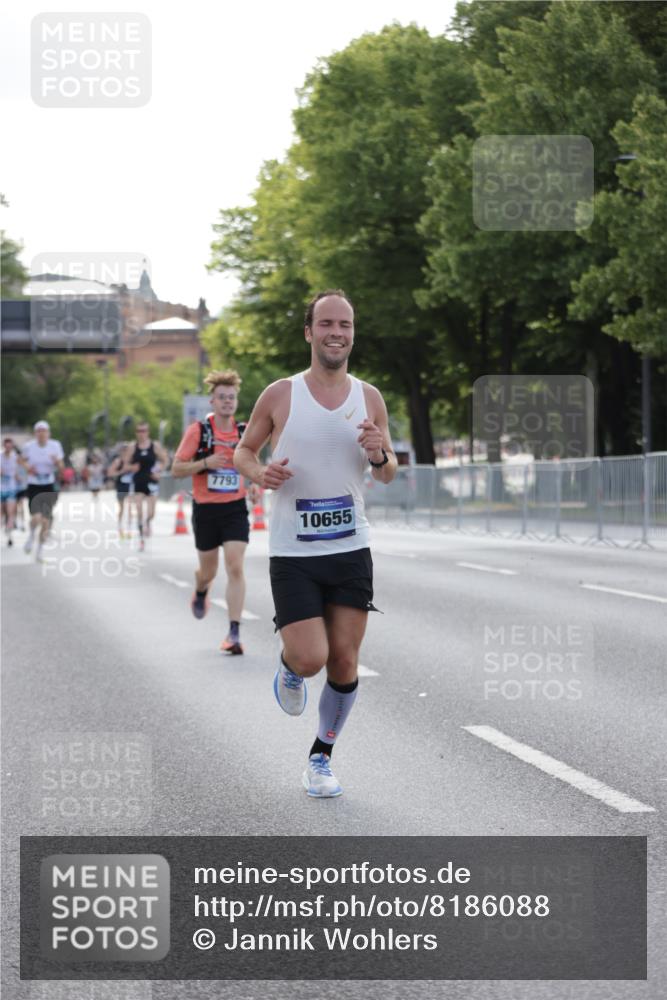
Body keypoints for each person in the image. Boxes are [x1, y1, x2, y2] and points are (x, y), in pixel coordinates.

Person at [234, 289, 397, 797]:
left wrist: (378, 454)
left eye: (345, 325)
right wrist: (260, 472)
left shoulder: (369, 397)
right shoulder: (281, 394)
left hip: (350, 547)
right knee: (310, 660)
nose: (336, 333)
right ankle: (288, 665)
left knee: (344, 661)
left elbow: (388, 472)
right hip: (294, 551)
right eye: (326, 323)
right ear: (309, 332)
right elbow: (243, 451)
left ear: (352, 334)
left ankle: (321, 759)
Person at [172, 369, 255, 655]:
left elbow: (253, 463)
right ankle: (201, 589)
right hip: (205, 509)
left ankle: (234, 632)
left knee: (235, 566)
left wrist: (255, 482)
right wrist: (205, 463)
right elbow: (176, 468)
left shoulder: (244, 432)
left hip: (235, 508)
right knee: (209, 571)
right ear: (212, 401)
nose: (227, 402)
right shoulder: (199, 431)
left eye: (231, 398)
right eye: (222, 398)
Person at [21, 420, 65, 561]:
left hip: (48, 484)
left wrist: (56, 462)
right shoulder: (29, 446)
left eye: (44, 431)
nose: (41, 434)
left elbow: (62, 467)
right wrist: (27, 467)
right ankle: (31, 535)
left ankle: (40, 550)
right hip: (34, 484)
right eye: (39, 431)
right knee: (36, 517)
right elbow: (21, 460)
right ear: (35, 433)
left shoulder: (55, 445)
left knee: (45, 521)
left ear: (48, 433)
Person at [129, 422, 169, 551]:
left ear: (148, 432)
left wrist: (158, 471)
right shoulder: (132, 447)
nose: (142, 433)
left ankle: (147, 522)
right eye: (139, 430)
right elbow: (124, 464)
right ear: (136, 432)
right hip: (138, 481)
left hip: (152, 481)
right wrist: (131, 467)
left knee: (151, 513)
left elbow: (165, 460)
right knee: (139, 511)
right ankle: (141, 539)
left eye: (144, 430)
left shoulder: (155, 446)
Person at [107, 444, 136, 538]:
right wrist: (121, 472)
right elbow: (110, 473)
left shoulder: (133, 461)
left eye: (127, 450)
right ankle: (120, 527)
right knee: (121, 508)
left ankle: (129, 529)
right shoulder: (118, 461)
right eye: (123, 450)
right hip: (121, 486)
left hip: (131, 486)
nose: (125, 452)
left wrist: (132, 468)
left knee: (130, 508)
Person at [1, 437, 19, 546]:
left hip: (11, 488)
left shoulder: (15, 457)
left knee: (10, 511)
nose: (8, 448)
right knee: (1, 513)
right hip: (1, 488)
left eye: (10, 446)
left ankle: (10, 533)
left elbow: (18, 472)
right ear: (4, 446)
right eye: (6, 446)